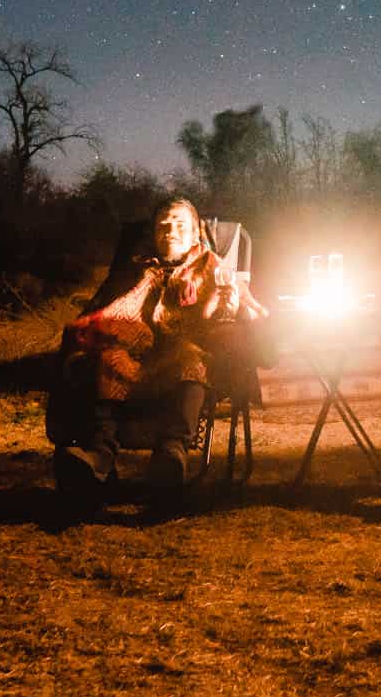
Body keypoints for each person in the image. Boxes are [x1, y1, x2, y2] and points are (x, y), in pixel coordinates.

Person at [48, 196, 266, 503]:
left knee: (192, 360)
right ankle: (99, 456)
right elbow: (106, 310)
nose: (170, 231)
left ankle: (172, 454)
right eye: (163, 226)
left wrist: (228, 308)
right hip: (131, 350)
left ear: (194, 234)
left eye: (179, 225)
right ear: (153, 235)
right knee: (105, 360)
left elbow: (247, 309)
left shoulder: (211, 266)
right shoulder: (135, 268)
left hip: (180, 352)